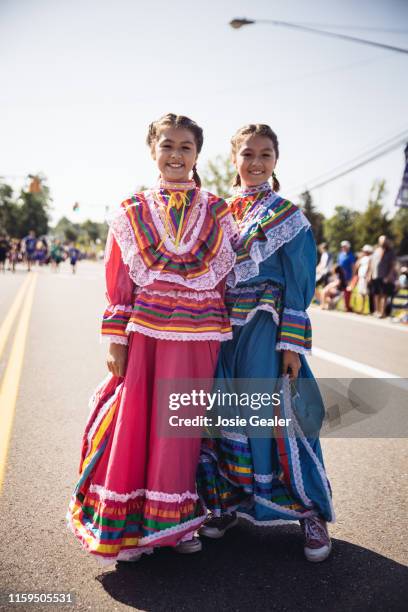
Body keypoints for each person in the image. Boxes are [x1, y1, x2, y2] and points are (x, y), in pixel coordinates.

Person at [66, 113, 237, 564]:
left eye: (185, 147)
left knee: (179, 429)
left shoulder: (218, 210)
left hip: (199, 335)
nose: (176, 155)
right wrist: (116, 340)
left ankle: (174, 521)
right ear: (152, 151)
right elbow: (119, 278)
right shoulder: (132, 210)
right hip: (146, 333)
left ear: (198, 154)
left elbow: (222, 282)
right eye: (168, 145)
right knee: (137, 422)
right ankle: (130, 525)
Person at [197, 124, 334, 563]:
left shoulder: (288, 216)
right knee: (223, 413)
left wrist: (290, 346)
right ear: (234, 159)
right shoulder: (216, 211)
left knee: (280, 418)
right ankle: (229, 504)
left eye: (266, 154)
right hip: (223, 328)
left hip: (265, 327)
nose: (256, 163)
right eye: (248, 154)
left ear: (277, 160)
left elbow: (299, 284)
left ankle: (309, 514)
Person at [369, 235, 396, 318]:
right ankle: (376, 311)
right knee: (376, 294)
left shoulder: (390, 252)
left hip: (384, 277)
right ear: (379, 241)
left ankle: (382, 312)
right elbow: (372, 264)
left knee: (384, 295)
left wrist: (389, 276)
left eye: (384, 241)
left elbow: (392, 266)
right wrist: (370, 274)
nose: (383, 242)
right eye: (381, 241)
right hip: (375, 276)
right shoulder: (376, 250)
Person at [337, 240, 356, 312]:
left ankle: (346, 306)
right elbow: (338, 265)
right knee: (340, 291)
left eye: (344, 246)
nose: (343, 248)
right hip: (340, 276)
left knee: (347, 291)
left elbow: (353, 267)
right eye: (342, 246)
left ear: (348, 247)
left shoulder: (351, 255)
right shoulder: (340, 254)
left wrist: (352, 277)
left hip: (348, 276)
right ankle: (342, 305)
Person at [355, 245, 373, 314]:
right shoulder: (362, 258)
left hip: (365, 278)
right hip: (361, 277)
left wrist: (368, 276)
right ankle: (361, 308)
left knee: (365, 293)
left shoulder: (370, 258)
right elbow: (357, 265)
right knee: (361, 293)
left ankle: (366, 309)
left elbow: (370, 268)